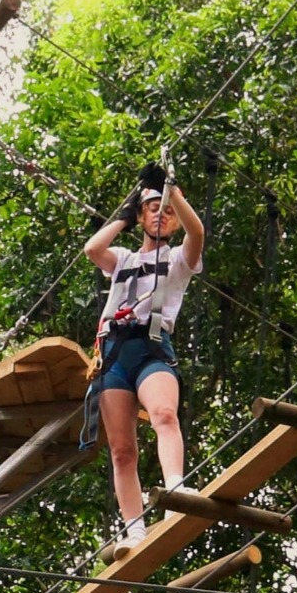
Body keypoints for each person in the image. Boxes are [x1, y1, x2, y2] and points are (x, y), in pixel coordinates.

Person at [84, 163, 206, 554]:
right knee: (122, 451)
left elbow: (197, 232)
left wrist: (173, 193)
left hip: (152, 348)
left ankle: (175, 490)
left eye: (167, 211)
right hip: (115, 355)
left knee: (164, 415)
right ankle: (134, 529)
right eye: (153, 208)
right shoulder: (122, 259)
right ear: (140, 216)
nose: (161, 214)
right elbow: (92, 250)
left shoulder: (179, 260)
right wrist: (125, 214)